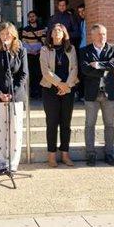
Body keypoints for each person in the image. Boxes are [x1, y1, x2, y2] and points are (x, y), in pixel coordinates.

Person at [0, 22, 28, 173]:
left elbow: (23, 74)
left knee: (15, 131)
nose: (5, 37)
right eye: (2, 34)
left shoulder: (21, 51)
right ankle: (1, 163)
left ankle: (13, 164)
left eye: (8, 34)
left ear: (13, 36)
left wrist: (13, 93)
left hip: (15, 97)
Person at [80, 24, 114, 167]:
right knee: (90, 125)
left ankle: (109, 154)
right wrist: (105, 67)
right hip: (92, 93)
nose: (102, 37)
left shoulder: (112, 48)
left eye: (104, 34)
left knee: (110, 125)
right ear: (92, 35)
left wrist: (97, 65)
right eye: (99, 34)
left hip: (109, 92)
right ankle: (90, 154)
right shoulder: (85, 51)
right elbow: (85, 69)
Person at [40, 23, 78, 167]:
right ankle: (51, 155)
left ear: (64, 34)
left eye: (60, 30)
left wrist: (66, 85)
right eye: (54, 30)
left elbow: (74, 68)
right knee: (52, 123)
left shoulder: (71, 49)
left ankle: (65, 154)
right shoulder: (45, 49)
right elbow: (45, 71)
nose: (57, 32)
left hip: (68, 89)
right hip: (50, 90)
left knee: (65, 123)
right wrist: (59, 84)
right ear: (50, 34)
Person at [19, 10, 45, 99]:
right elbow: (24, 42)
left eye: (33, 16)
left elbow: (44, 41)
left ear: (36, 17)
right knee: (31, 74)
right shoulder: (25, 29)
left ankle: (39, 92)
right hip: (29, 54)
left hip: (39, 54)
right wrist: (31, 50)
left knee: (39, 73)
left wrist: (37, 50)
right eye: (30, 16)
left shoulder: (42, 28)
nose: (32, 18)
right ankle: (32, 93)